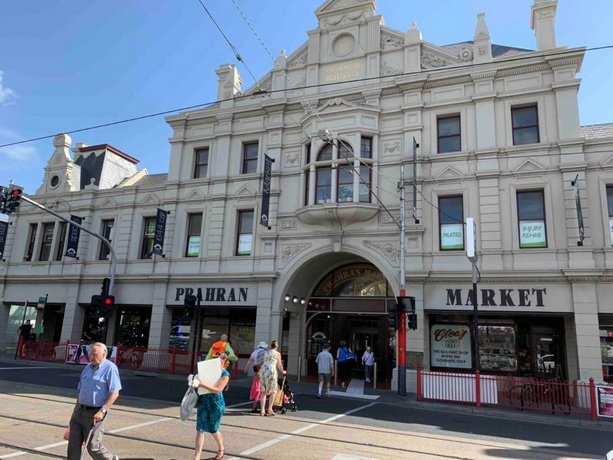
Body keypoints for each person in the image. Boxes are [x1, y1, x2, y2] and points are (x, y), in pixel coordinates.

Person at [67, 342, 122, 460]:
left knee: (93, 446)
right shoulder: (87, 368)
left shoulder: (110, 368)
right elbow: (81, 390)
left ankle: (110, 459)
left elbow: (115, 393)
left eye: (95, 354)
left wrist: (102, 411)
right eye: (90, 354)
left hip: (96, 412)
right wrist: (75, 411)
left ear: (104, 355)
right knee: (73, 444)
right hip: (79, 410)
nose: (91, 357)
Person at [192, 353, 230, 460]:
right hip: (204, 401)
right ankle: (197, 457)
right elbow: (198, 381)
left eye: (220, 359)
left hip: (216, 404)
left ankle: (221, 448)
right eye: (216, 359)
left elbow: (217, 390)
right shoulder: (208, 370)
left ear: (224, 362)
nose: (217, 361)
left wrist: (202, 384)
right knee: (200, 428)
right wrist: (194, 381)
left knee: (213, 429)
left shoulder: (225, 374)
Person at [258, 340, 286, 416]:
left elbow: (261, 362)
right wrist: (283, 371)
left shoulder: (266, 352)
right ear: (277, 346)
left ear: (271, 345)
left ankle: (262, 410)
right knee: (273, 391)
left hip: (264, 371)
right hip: (271, 371)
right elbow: (279, 365)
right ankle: (269, 409)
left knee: (263, 391)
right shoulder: (277, 354)